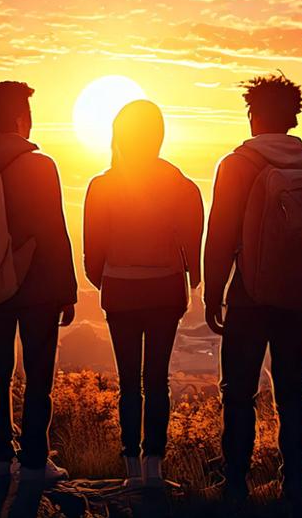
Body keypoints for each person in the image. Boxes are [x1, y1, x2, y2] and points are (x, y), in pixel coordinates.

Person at [204, 74, 302, 516]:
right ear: (293, 118)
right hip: (300, 298)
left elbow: (221, 234)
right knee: (292, 391)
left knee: (239, 392)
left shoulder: (237, 164)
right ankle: (295, 483)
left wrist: (213, 293)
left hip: (249, 295)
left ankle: (236, 486)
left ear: (253, 116)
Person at [0, 81, 77, 487]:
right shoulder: (39, 165)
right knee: (38, 376)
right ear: (18, 118)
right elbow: (54, 230)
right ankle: (33, 463)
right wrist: (68, 291)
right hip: (39, 287)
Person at [82, 100, 203, 489]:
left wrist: (114, 279)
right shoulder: (181, 185)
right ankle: (154, 466)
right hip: (166, 290)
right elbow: (192, 250)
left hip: (119, 291)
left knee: (129, 382)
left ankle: (131, 467)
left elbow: (90, 256)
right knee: (157, 380)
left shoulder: (101, 186)